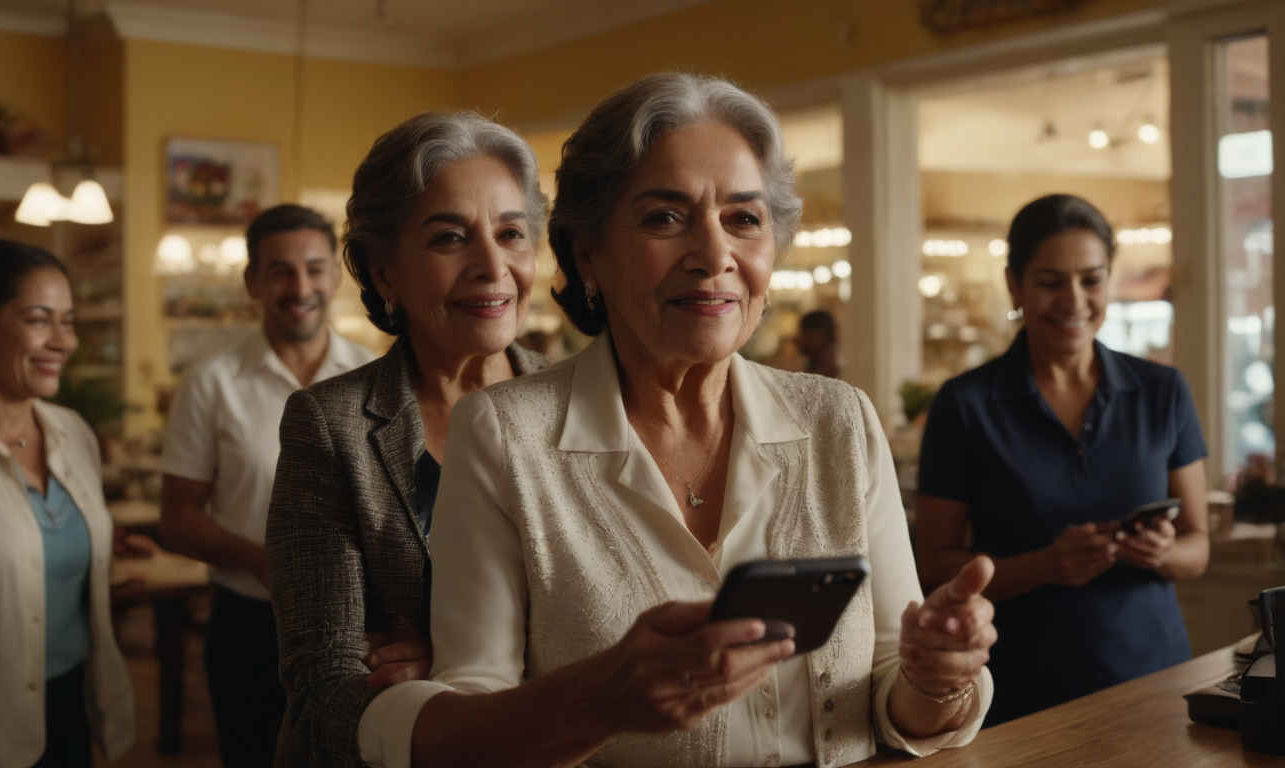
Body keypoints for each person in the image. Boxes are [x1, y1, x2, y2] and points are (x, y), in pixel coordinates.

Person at [357, 73, 997, 768]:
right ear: (586, 253)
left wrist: (937, 678)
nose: (714, 254)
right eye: (665, 218)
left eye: (744, 219)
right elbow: (475, 714)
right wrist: (601, 699)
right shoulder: (505, 435)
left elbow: (893, 691)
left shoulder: (838, 420)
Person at [264, 111, 550, 767]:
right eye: (450, 238)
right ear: (382, 270)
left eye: (512, 233)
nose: (491, 266)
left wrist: (453, 662)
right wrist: (437, 704)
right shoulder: (329, 424)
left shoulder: (587, 406)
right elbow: (323, 688)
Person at [916, 194, 1210, 726]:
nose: (1074, 301)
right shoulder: (964, 404)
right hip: (1019, 691)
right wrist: (1043, 566)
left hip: (1156, 681)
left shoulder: (1162, 390)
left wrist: (1160, 551)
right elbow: (932, 562)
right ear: (1014, 284)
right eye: (1050, 282)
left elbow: (1197, 548)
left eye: (1092, 280)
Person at [159, 205, 377, 768]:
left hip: (361, 632)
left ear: (336, 274)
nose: (300, 286)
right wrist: (255, 558)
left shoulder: (376, 377)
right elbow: (177, 515)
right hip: (247, 627)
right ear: (252, 281)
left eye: (314, 267)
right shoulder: (210, 383)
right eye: (280, 270)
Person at [0, 240, 135, 767]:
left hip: (71, 702)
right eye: (38, 320)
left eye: (67, 321)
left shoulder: (73, 432)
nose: (63, 341)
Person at [797, 309, 841, 378]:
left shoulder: (828, 365)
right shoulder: (816, 359)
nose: (801, 339)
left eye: (805, 334)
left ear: (820, 333)